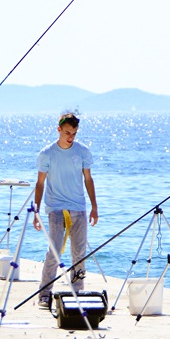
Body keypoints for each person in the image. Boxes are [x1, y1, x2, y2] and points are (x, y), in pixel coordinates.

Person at [32, 112, 98, 309]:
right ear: (59, 129)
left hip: (79, 207)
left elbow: (88, 179)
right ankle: (45, 294)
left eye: (74, 133)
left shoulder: (83, 151)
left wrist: (94, 207)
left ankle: (78, 292)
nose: (71, 137)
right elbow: (40, 183)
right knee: (54, 252)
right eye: (67, 132)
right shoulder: (47, 153)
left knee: (79, 253)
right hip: (56, 208)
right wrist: (36, 211)